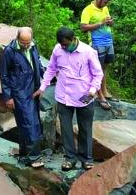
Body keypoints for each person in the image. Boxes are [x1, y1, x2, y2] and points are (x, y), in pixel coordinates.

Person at [33, 27, 103, 171]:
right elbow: (51, 69)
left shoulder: (88, 51)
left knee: (85, 128)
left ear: (73, 39)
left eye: (66, 44)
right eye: (61, 44)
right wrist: (42, 87)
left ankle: (86, 158)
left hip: (84, 95)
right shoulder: (58, 50)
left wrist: (92, 91)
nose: (64, 47)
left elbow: (98, 74)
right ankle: (70, 158)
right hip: (63, 95)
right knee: (65, 128)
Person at [0, 27, 45, 168]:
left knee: (29, 122)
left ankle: (25, 153)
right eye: (23, 42)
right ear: (18, 39)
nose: (26, 45)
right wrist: (8, 97)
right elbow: (4, 75)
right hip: (19, 92)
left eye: (28, 42)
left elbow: (37, 63)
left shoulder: (33, 46)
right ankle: (34, 157)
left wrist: (46, 78)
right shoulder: (9, 51)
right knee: (29, 123)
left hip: (34, 90)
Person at [80, 0, 117, 110]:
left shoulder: (105, 8)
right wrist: (101, 23)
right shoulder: (88, 10)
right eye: (105, 2)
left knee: (105, 67)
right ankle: (100, 95)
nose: (106, 5)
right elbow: (83, 27)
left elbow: (107, 22)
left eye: (107, 3)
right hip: (97, 42)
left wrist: (110, 22)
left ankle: (104, 91)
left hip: (108, 40)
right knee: (97, 70)